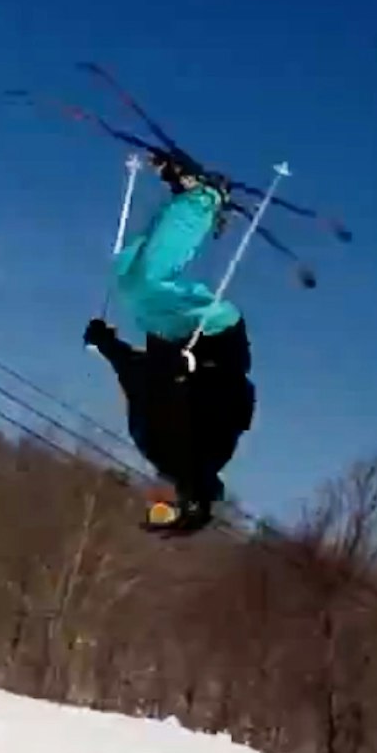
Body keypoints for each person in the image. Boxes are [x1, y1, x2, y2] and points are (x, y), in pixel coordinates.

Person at [84, 159, 256, 535]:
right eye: (161, 510)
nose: (151, 499)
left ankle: (185, 207)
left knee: (130, 278)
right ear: (183, 499)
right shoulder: (194, 456)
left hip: (181, 339)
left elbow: (141, 384)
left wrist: (108, 344)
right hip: (210, 339)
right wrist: (196, 372)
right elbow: (234, 398)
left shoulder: (163, 452)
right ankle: (204, 198)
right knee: (148, 285)